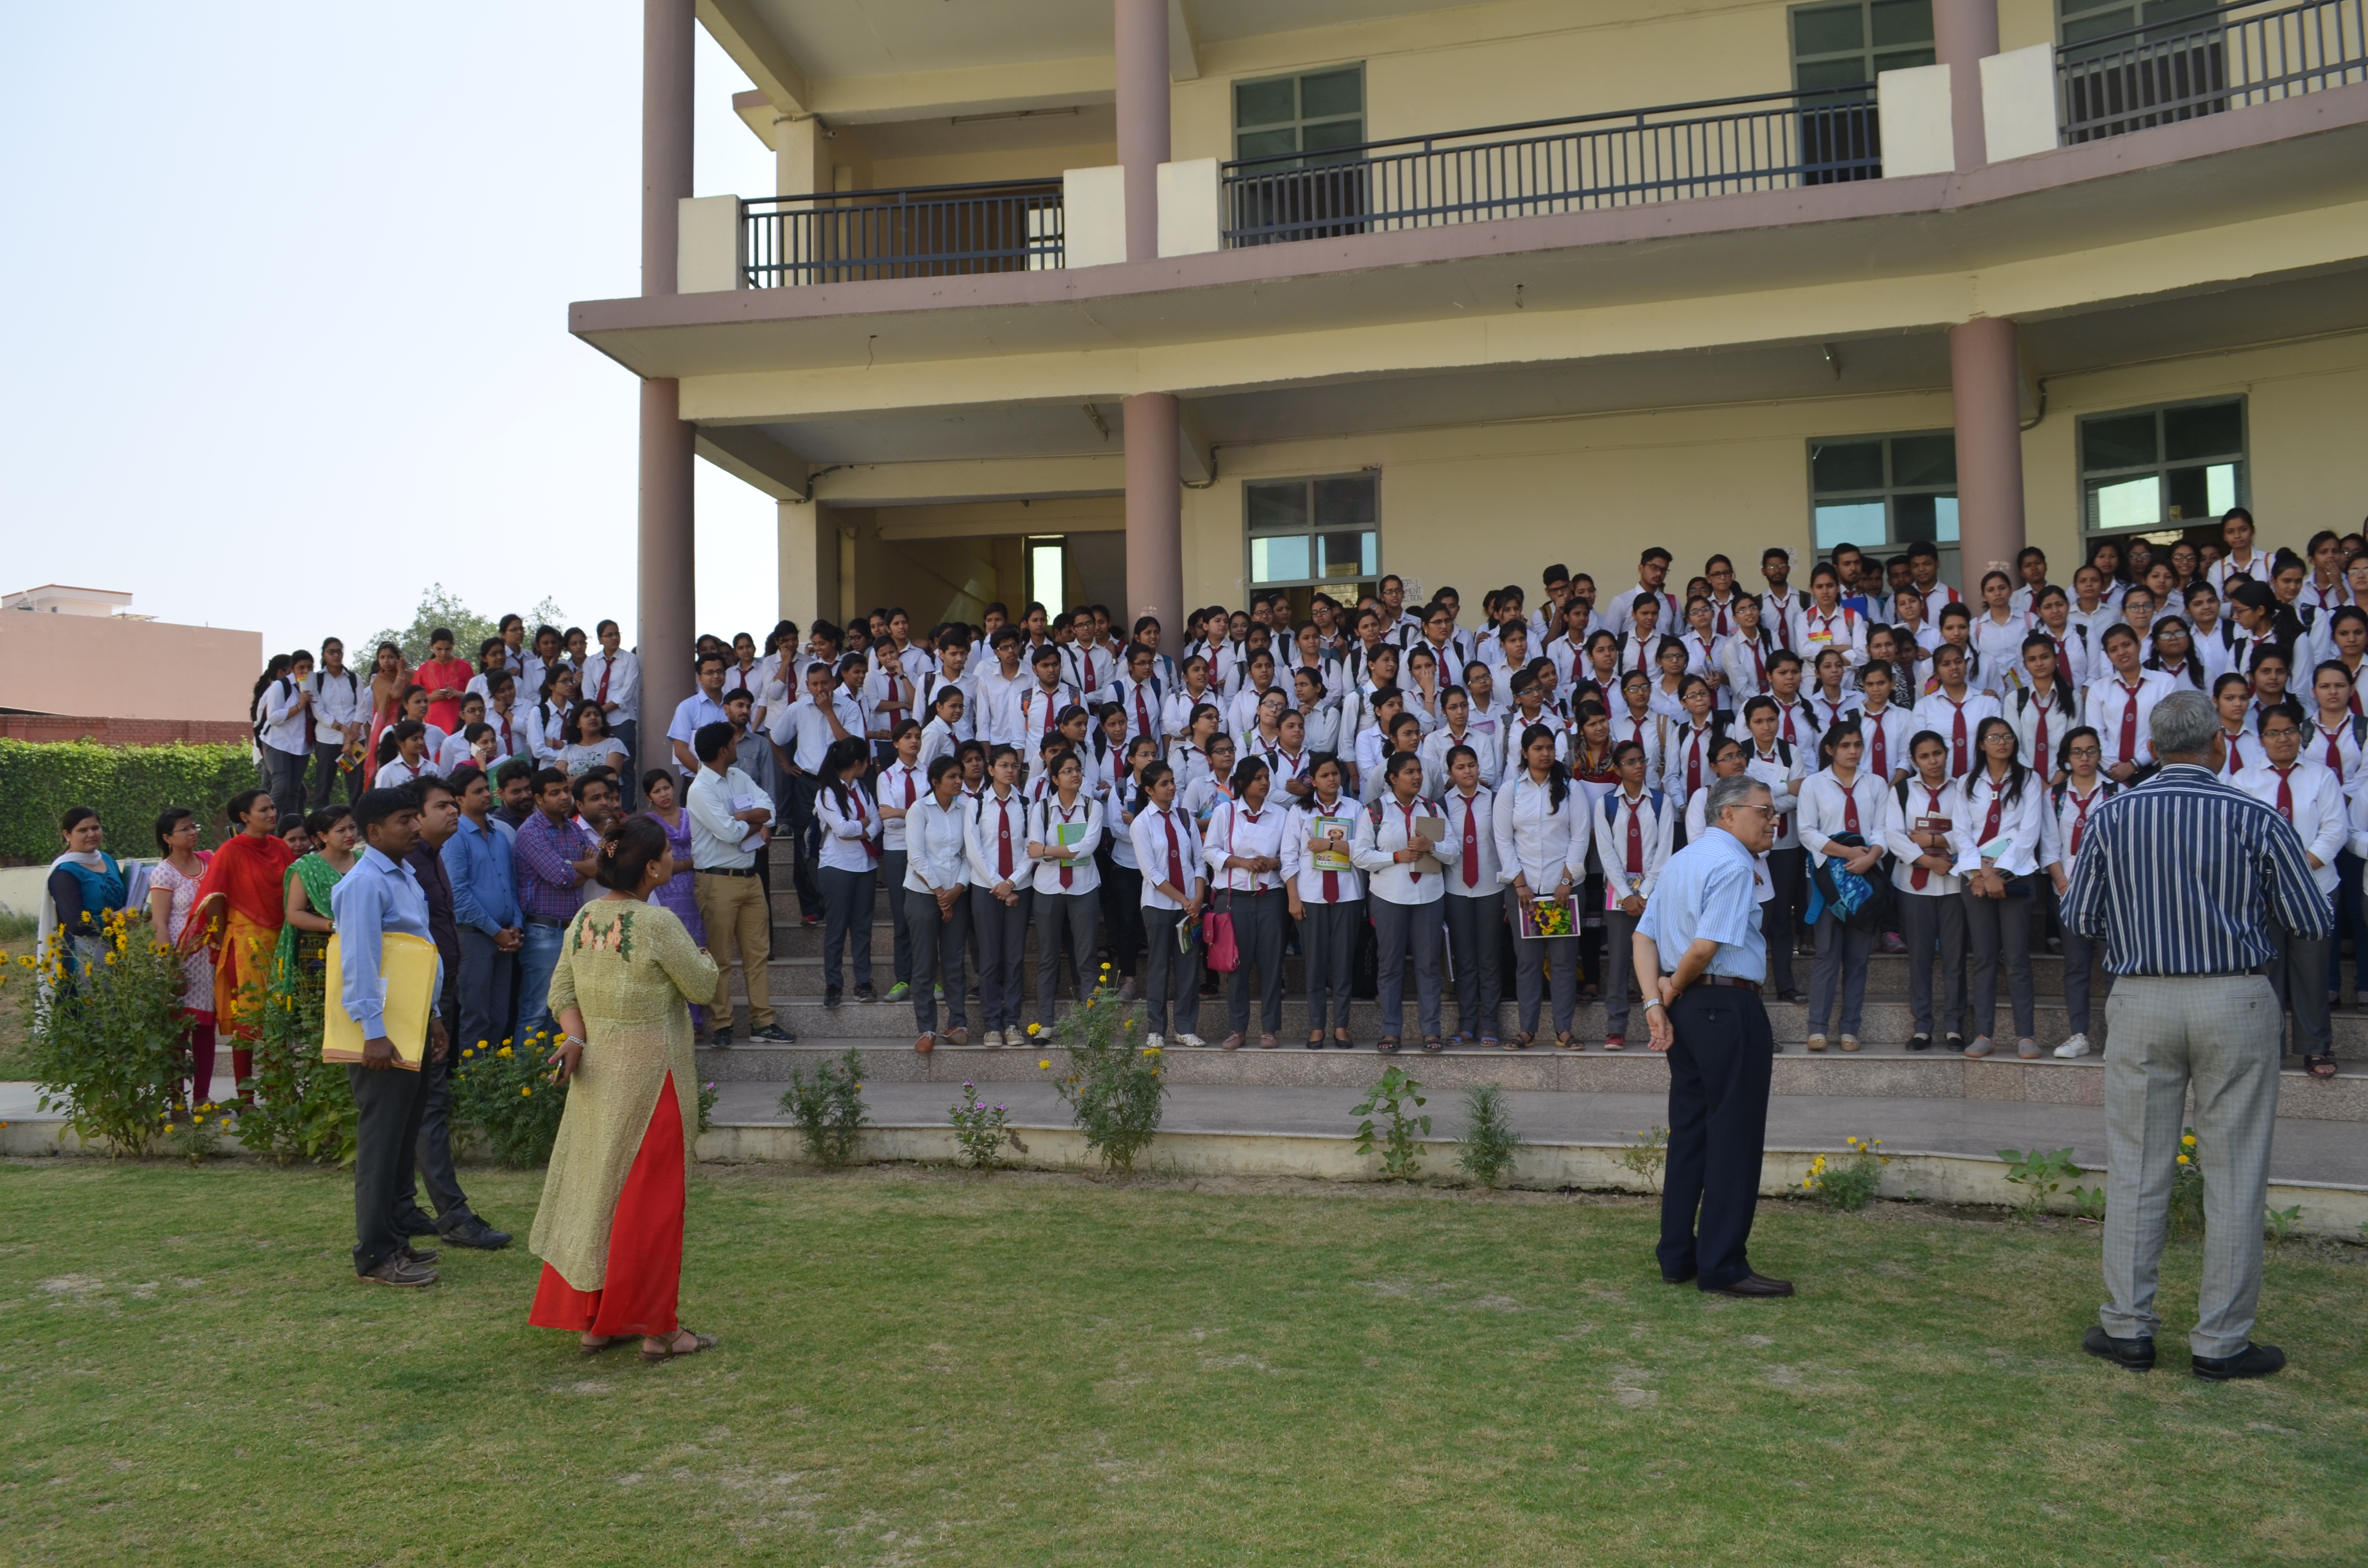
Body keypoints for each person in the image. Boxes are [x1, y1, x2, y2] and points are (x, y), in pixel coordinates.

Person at [2065, 689, 2325, 1380]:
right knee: (2234, 1173)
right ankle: (2220, 1342)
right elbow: (2310, 919)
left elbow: (2081, 918)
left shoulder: (2110, 816)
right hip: (2233, 996)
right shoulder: (2256, 815)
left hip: (2141, 997)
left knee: (2136, 1166)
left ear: (2152, 750)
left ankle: (2128, 1329)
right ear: (2218, 743)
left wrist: (2141, 922)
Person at [529, 814, 723, 1361]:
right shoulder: (657, 923)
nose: (672, 859)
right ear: (653, 868)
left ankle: (598, 1323)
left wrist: (576, 1037)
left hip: (596, 1079)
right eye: (667, 853)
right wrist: (706, 956)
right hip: (653, 1083)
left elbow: (560, 991)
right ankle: (659, 1331)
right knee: (648, 1207)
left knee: (599, 1195)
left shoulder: (585, 916)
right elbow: (702, 987)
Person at [1634, 770, 1790, 1298]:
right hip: (1725, 1003)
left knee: (1691, 1134)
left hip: (1688, 1010)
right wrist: (1671, 990)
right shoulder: (1732, 863)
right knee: (1733, 1135)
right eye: (1763, 811)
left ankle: (1677, 1255)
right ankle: (1722, 1264)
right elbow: (1703, 949)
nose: (1773, 821)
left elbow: (1642, 939)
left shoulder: (1681, 861)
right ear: (1728, 814)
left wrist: (1657, 1002)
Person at [332, 786, 449, 1288]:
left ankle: (396, 1238)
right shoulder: (363, 883)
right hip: (383, 1031)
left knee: (402, 1140)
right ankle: (376, 1254)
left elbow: (416, 953)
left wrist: (433, 1014)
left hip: (411, 1019)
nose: (416, 827)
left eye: (415, 817)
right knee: (382, 1144)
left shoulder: (402, 875)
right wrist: (373, 1033)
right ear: (375, 831)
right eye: (405, 820)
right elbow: (358, 961)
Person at [2240, 703, 2343, 1073]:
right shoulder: (2244, 781)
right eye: (2273, 733)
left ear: (2301, 734)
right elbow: (2239, 836)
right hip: (2263, 892)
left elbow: (2335, 830)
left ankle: (2315, 1048)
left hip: (2315, 890)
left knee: (2312, 971)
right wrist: (2270, 875)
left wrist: (2297, 870)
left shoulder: (2322, 776)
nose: (2282, 739)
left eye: (2289, 731)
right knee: (2266, 972)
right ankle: (2268, 1048)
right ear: (2261, 739)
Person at [685, 723, 793, 1046]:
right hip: (717, 881)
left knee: (757, 956)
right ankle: (722, 1024)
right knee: (719, 958)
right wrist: (754, 821)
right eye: (733, 744)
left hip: (750, 878)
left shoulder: (739, 777)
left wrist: (745, 817)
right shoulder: (700, 789)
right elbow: (729, 833)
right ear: (723, 751)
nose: (737, 747)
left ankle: (763, 1022)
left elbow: (770, 809)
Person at [187, 790, 298, 1098]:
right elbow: (213, 901)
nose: (272, 813)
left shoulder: (280, 847)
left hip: (282, 941)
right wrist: (223, 940)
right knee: (247, 1024)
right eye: (264, 810)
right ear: (245, 817)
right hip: (245, 945)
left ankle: (280, 1092)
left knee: (280, 1018)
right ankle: (245, 1097)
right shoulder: (230, 851)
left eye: (273, 807)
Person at [1955, 715, 2047, 1058]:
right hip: (1976, 879)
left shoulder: (2029, 780)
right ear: (1981, 744)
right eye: (1994, 738)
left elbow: (2029, 832)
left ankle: (2026, 1036)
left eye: (2007, 736)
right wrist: (1983, 874)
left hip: (2016, 874)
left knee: (2018, 957)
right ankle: (1984, 1034)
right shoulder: (1966, 783)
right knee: (1984, 957)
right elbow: (1962, 832)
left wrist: (1998, 873)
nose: (2002, 743)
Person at [1797, 722, 1890, 1052]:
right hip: (1827, 879)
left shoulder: (1876, 784)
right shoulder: (1814, 784)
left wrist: (1871, 856)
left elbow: (1882, 829)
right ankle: (1817, 1028)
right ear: (1830, 750)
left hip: (1866, 878)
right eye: (1846, 745)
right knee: (1827, 954)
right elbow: (1807, 831)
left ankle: (1850, 1028)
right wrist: (1848, 853)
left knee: (1858, 957)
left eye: (1858, 745)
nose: (1853, 751)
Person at [1353, 752, 1454, 1053]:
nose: (1417, 777)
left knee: (1428, 966)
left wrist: (1431, 846)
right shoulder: (1375, 811)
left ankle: (1431, 1031)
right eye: (1409, 772)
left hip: (1429, 895)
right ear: (1393, 779)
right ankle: (1391, 1032)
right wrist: (1396, 856)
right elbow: (1360, 856)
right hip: (1389, 895)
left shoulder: (1433, 809)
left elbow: (1453, 853)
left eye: (1419, 771)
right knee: (1390, 965)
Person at [1495, 724, 1587, 1049]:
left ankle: (1564, 1030)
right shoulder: (1511, 791)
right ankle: (1527, 1030)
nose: (1545, 753)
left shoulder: (1571, 788)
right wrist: (1519, 884)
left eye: (1549, 747)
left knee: (1563, 963)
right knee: (1528, 963)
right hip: (1525, 893)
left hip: (1562, 890)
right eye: (1538, 748)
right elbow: (1503, 840)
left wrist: (1566, 880)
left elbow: (1580, 837)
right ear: (1525, 753)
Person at [1887, 731, 1968, 1052]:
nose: (1933, 761)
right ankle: (1922, 1027)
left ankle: (1954, 1027)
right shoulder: (1902, 791)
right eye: (1924, 756)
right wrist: (1928, 860)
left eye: (1937, 753)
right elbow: (1895, 836)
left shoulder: (1963, 788)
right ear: (1914, 760)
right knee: (1920, 958)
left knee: (1955, 959)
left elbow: (1969, 832)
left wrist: (1936, 840)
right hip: (1914, 886)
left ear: (1947, 753)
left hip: (1953, 884)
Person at [1593, 740, 1675, 1052]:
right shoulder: (1607, 804)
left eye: (1641, 760)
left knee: (1659, 961)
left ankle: (1664, 1023)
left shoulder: (1660, 802)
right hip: (1619, 894)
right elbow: (1607, 853)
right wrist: (1627, 894)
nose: (1638, 766)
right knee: (1618, 962)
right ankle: (1616, 1028)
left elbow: (1664, 851)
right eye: (1630, 762)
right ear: (1618, 769)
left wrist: (1645, 892)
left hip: (1654, 893)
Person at [441, 764, 523, 1067]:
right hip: (473, 937)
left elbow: (511, 885)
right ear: (459, 800)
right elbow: (458, 896)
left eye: (487, 788)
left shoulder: (499, 834)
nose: (487, 794)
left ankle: (491, 1084)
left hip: (504, 936)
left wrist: (516, 926)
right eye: (478, 791)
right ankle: (472, 1085)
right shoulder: (456, 837)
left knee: (500, 1015)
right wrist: (496, 932)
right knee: (476, 1017)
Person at [1284, 755, 1368, 1050]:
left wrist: (1332, 844)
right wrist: (1293, 898)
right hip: (1311, 896)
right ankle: (1317, 1026)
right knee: (1315, 965)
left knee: (1344, 964)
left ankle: (1341, 1026)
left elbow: (1366, 848)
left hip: (1347, 894)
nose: (1332, 779)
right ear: (1313, 780)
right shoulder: (1299, 811)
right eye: (1325, 775)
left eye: (1335, 774)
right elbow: (1288, 857)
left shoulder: (1355, 809)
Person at [1204, 755, 1287, 1050]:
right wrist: (1242, 862)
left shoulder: (1281, 814)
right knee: (1235, 965)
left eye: (1267, 778)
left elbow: (1290, 854)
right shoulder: (1225, 812)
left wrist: (1272, 862)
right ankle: (1237, 1029)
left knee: (1272, 964)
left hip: (1271, 897)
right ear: (1242, 783)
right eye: (1258, 779)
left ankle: (1270, 1029)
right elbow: (1209, 851)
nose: (1265, 783)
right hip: (1233, 898)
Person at [1130, 761, 1208, 1050]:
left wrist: (1197, 898)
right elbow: (1151, 873)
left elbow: (1199, 862)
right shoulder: (1142, 824)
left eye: (1172, 781)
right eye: (1164, 784)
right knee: (1159, 966)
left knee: (1189, 966)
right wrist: (1185, 899)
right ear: (1150, 790)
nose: (1171, 787)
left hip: (1190, 905)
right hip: (1159, 905)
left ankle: (1186, 1028)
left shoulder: (1185, 818)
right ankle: (1156, 1029)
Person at [1027, 748, 1107, 1025]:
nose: (1075, 775)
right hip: (1048, 889)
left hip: (1084, 888)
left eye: (1078, 769)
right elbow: (1033, 851)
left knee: (1086, 956)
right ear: (1055, 778)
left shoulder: (1093, 807)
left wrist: (1048, 850)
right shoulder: (1041, 808)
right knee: (1048, 958)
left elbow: (1088, 848)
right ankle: (1045, 1024)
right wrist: (1058, 851)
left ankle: (1093, 1024)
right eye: (1068, 771)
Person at [965, 744, 1034, 1047]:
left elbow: (1032, 849)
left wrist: (1013, 882)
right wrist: (999, 885)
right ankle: (992, 1024)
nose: (1010, 771)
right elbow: (974, 850)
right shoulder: (977, 804)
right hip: (986, 888)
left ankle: (1012, 1022)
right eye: (1004, 765)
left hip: (1020, 887)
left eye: (1014, 766)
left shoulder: (1027, 805)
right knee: (990, 958)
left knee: (1014, 958)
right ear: (991, 770)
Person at [147, 808, 216, 1107]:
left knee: (205, 1029)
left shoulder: (208, 863)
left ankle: (202, 1098)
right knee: (178, 1032)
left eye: (193, 826)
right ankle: (177, 1102)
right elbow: (159, 923)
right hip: (179, 956)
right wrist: (171, 966)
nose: (193, 832)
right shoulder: (164, 872)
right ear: (168, 838)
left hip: (207, 958)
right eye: (184, 829)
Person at [904, 756, 973, 1051]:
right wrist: (940, 893)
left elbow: (970, 856)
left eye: (960, 776)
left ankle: (957, 1022)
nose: (958, 781)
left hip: (956, 894)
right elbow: (917, 857)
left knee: (955, 962)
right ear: (935, 781)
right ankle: (926, 1029)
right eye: (952, 777)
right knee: (924, 963)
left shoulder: (965, 810)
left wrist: (956, 889)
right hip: (922, 894)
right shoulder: (919, 810)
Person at [1438, 745, 1504, 1047]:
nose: (1468, 771)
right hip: (1456, 889)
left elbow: (1506, 844)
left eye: (1472, 765)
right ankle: (1467, 1025)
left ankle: (1490, 1025)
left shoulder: (1497, 799)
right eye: (1461, 767)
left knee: (1489, 959)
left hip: (1492, 887)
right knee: (1464, 961)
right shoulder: (1441, 805)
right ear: (1450, 772)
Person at [812, 736, 881, 1009]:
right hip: (837, 866)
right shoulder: (827, 792)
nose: (868, 765)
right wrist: (862, 825)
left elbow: (877, 821)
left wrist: (860, 829)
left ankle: (863, 981)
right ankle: (834, 983)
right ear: (857, 762)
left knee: (863, 927)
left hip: (865, 865)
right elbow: (841, 829)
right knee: (837, 927)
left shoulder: (862, 789)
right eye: (866, 761)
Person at [39, 806, 129, 978]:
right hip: (86, 954)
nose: (91, 834)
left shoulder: (107, 860)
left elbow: (123, 899)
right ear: (67, 835)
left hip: (118, 946)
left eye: (96, 828)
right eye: (83, 830)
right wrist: (116, 918)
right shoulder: (64, 873)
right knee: (96, 995)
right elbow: (75, 924)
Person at [583, 621, 641, 808]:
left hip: (622, 720)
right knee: (601, 769)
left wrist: (601, 711)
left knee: (625, 771)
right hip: (596, 721)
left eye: (617, 633)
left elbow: (627, 690)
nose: (615, 638)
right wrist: (594, 713)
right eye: (609, 635)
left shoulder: (630, 659)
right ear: (600, 639)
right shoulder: (591, 662)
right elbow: (588, 689)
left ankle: (625, 813)